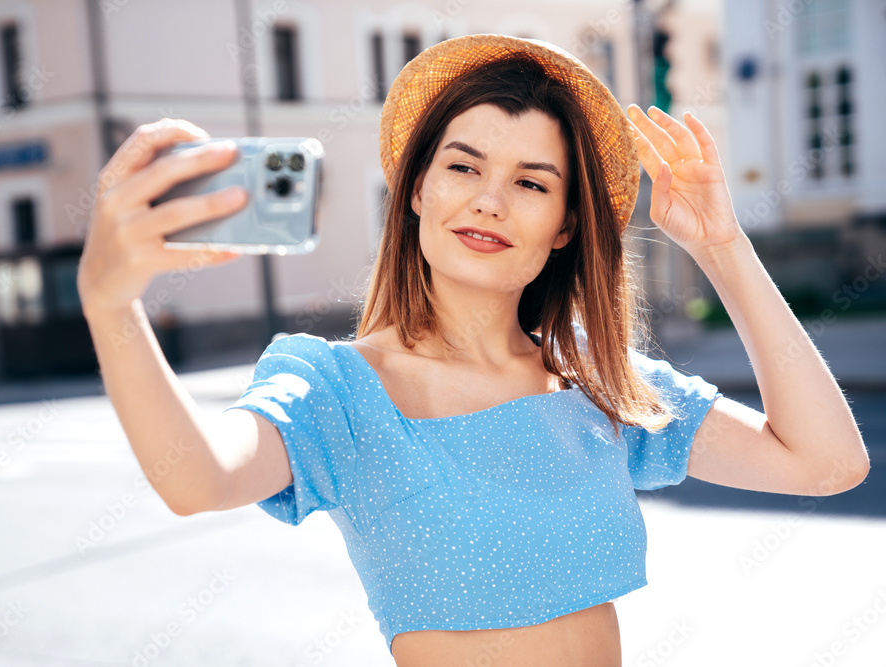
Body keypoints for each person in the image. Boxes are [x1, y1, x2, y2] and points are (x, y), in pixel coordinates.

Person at [77, 33, 870, 667]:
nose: (489, 198)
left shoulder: (599, 383)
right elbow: (196, 477)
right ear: (417, 189)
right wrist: (110, 302)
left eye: (531, 182)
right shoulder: (339, 389)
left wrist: (724, 248)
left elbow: (828, 464)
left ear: (564, 226)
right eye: (463, 166)